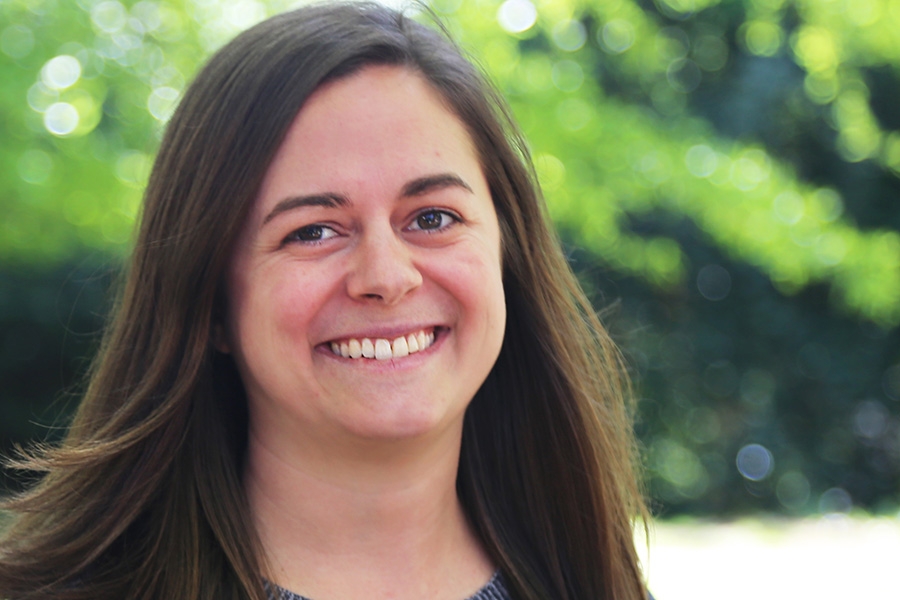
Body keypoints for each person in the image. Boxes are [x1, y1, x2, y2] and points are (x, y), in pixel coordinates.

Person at [0, 2, 650, 599]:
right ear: (211, 301)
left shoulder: (594, 581)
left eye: (431, 218)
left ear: (508, 252)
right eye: (311, 231)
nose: (386, 276)